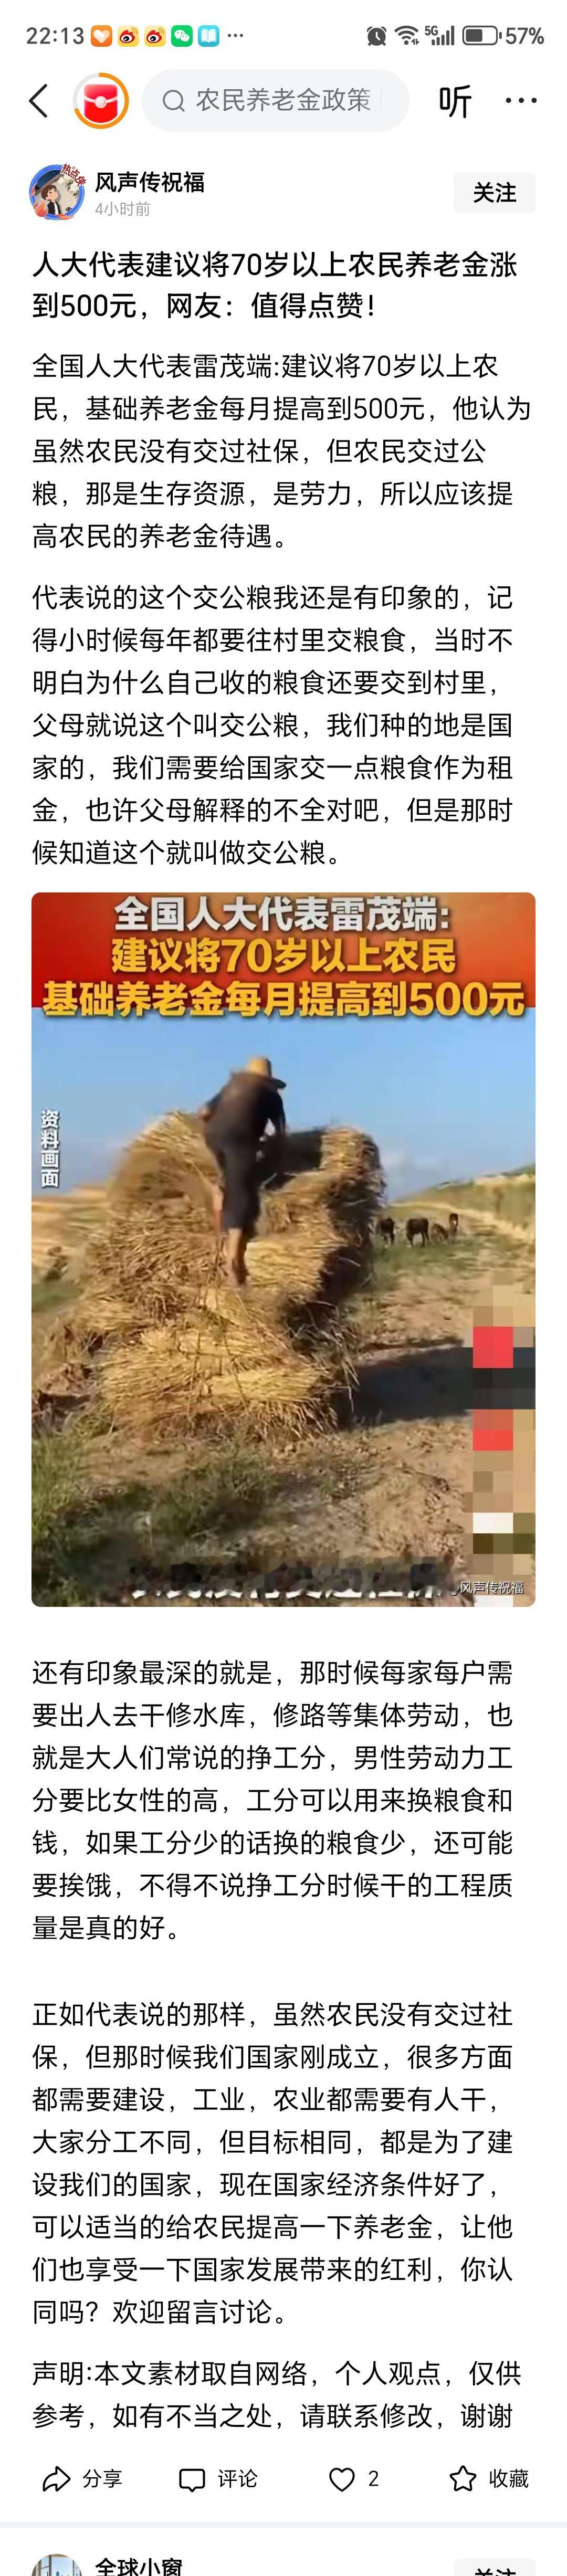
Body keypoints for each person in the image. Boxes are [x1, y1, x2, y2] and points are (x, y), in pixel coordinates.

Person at [198, 1055, 286, 1287]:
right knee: (242, 1195)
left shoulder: (231, 1087)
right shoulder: (270, 1094)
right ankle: (232, 1261)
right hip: (241, 1139)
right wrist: (270, 1152)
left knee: (230, 1181)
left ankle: (220, 1195)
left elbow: (203, 1112)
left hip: (213, 1136)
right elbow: (280, 1133)